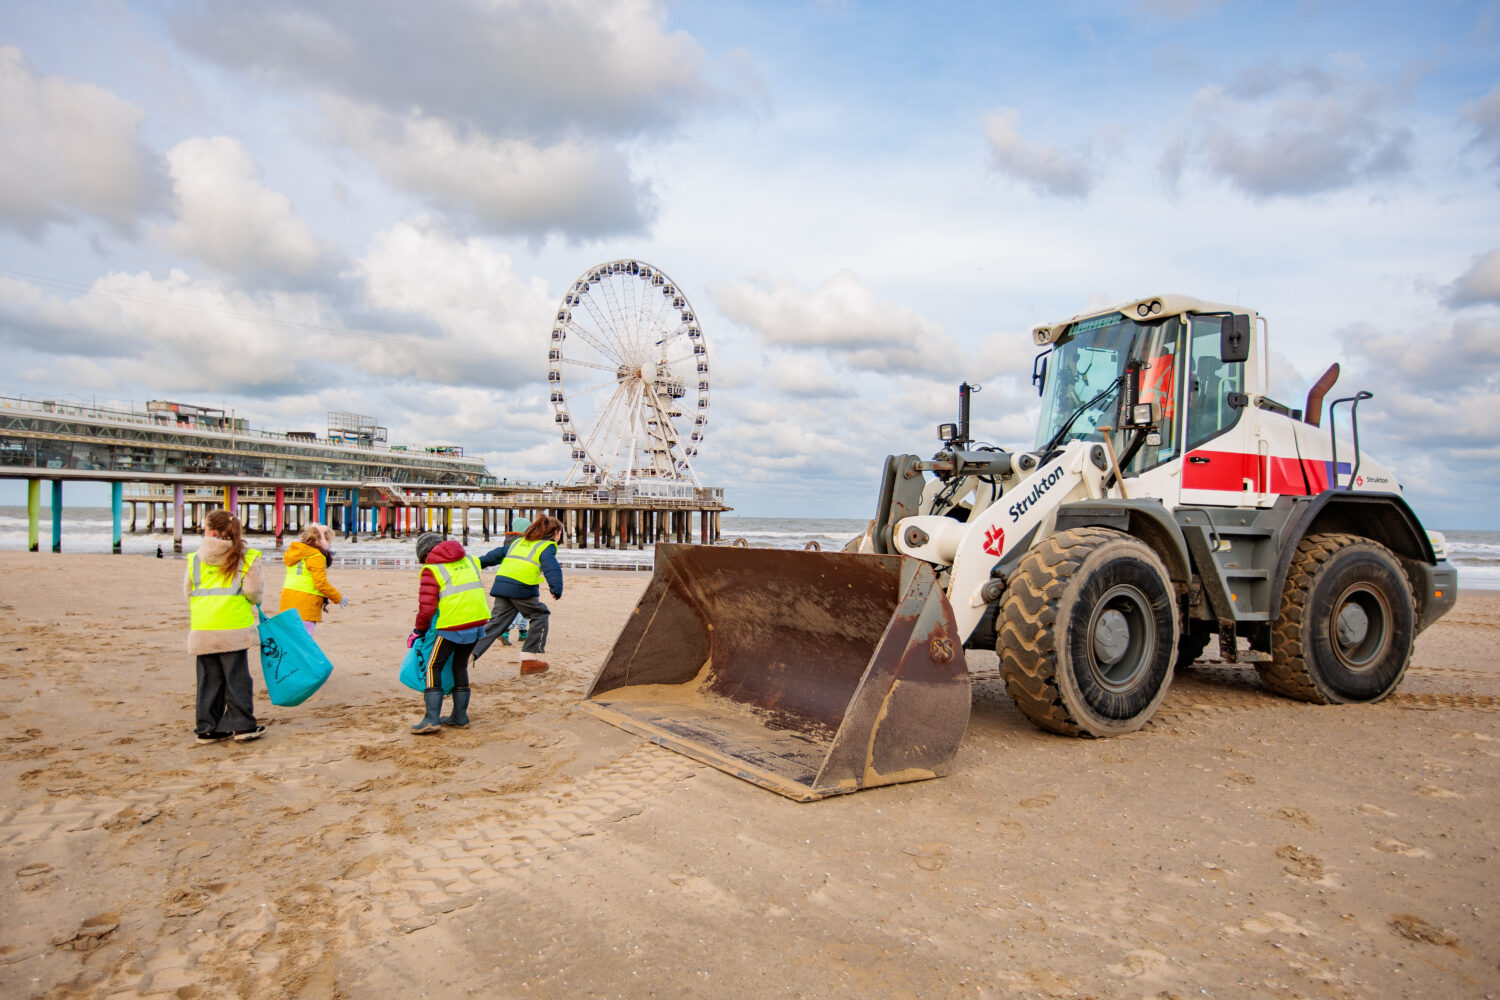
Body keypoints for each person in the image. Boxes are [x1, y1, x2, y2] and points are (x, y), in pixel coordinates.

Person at [186, 510, 265, 744]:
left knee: (208, 678)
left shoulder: (196, 558)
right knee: (236, 677)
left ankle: (208, 728)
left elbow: (187, 590)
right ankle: (242, 726)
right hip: (233, 625)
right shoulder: (247, 556)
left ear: (210, 532)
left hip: (203, 625)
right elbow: (253, 593)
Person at [409, 531, 490, 734]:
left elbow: (426, 608)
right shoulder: (470, 560)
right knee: (460, 666)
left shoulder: (432, 569)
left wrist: (418, 630)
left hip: (452, 625)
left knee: (432, 666)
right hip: (478, 621)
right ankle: (460, 716)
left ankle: (431, 718)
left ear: (425, 555)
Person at [474, 514, 564, 674]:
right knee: (540, 615)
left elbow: (494, 555)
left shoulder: (518, 542)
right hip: (521, 587)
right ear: (555, 532)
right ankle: (529, 660)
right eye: (560, 533)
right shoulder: (547, 546)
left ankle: (466, 656)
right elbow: (551, 567)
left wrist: (475, 563)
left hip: (502, 584)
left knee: (495, 624)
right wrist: (556, 588)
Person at [280, 523, 346, 636]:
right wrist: (338, 597)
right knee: (304, 645)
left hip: (287, 605)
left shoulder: (296, 553)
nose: (330, 546)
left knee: (291, 644)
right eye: (329, 542)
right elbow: (320, 583)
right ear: (322, 541)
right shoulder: (316, 556)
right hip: (305, 607)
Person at [493, 516, 531, 646]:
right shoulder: (522, 542)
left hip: (504, 576)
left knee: (513, 608)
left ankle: (522, 631)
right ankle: (508, 630)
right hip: (520, 578)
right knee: (521, 608)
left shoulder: (508, 541)